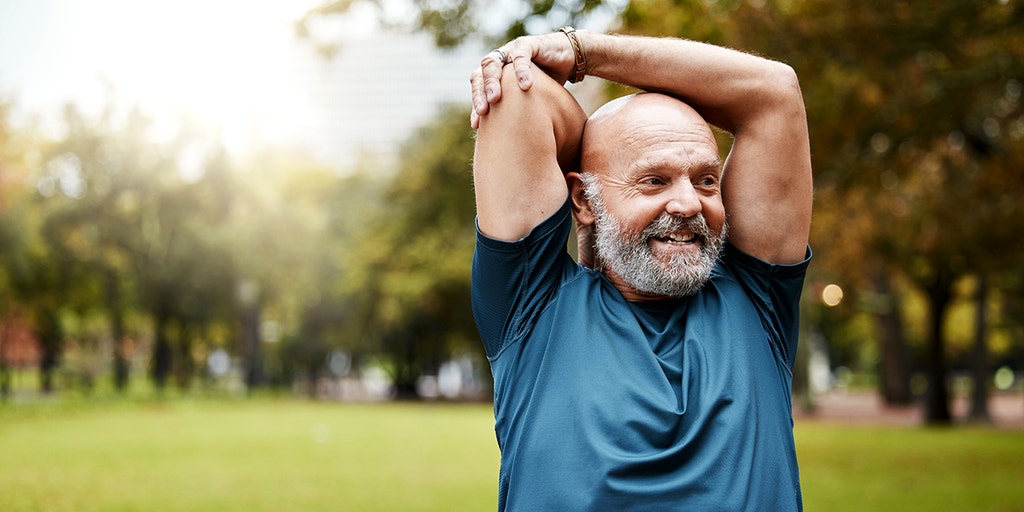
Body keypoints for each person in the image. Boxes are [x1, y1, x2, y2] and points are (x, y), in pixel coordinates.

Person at [469, 28, 813, 511]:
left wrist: (584, 51)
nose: (688, 202)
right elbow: (517, 92)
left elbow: (773, 92)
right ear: (584, 200)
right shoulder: (533, 307)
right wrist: (603, 153)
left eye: (707, 180)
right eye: (653, 181)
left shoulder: (758, 298)